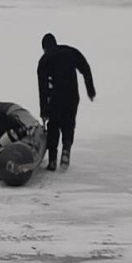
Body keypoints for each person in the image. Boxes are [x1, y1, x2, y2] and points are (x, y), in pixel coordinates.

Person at [37, 33, 96, 171]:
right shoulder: (70, 52)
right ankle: (66, 152)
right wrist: (90, 89)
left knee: (53, 126)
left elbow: (43, 88)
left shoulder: (44, 60)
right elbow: (85, 67)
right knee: (68, 124)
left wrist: (44, 110)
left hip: (55, 98)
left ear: (44, 47)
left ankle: (52, 161)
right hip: (72, 96)